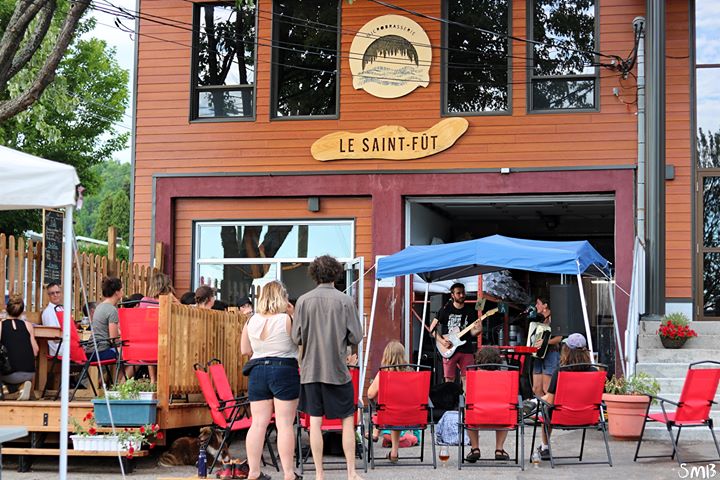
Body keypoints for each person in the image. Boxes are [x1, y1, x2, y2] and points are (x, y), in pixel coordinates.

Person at [291, 255, 363, 480]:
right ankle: (351, 472)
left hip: (311, 371)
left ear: (314, 274)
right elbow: (356, 336)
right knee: (347, 420)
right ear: (336, 273)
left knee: (315, 422)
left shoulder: (303, 301)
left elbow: (296, 337)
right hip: (338, 371)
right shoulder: (345, 301)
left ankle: (319, 474)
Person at [241, 280, 300, 480]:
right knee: (284, 424)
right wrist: (294, 314)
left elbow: (245, 350)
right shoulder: (286, 319)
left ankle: (254, 472)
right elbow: (300, 341)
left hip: (257, 370)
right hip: (284, 369)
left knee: (257, 423)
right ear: (282, 297)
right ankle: (288, 474)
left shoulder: (251, 320)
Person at [535, 333, 594, 460]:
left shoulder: (560, 372)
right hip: (587, 416)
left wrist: (538, 400)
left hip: (563, 416)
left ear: (566, 350)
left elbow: (550, 400)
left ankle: (545, 447)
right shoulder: (594, 372)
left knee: (545, 409)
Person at [367, 341, 418, 463]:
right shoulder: (411, 373)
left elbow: (370, 394)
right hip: (411, 415)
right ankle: (394, 452)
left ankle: (375, 432)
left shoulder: (383, 374)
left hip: (388, 415)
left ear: (386, 356)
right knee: (396, 412)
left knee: (389, 411)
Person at [464, 347, 511, 463]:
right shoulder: (506, 377)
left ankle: (475, 448)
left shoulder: (473, 377)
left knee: (468, 408)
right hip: (500, 417)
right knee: (506, 409)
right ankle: (499, 449)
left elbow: (467, 395)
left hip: (477, 417)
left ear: (479, 360)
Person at [428, 283, 482, 382]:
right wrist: (442, 341)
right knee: (449, 379)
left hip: (466, 349)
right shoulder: (445, 310)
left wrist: (478, 330)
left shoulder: (470, 311)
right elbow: (432, 328)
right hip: (449, 348)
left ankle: (465, 393)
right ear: (452, 295)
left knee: (467, 378)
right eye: (458, 293)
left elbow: (472, 333)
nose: (462, 295)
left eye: (463, 292)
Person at [0, 295, 39, 400]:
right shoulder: (28, 325)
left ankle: (6, 389)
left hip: (8, 374)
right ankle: (19, 388)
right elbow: (35, 351)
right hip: (29, 373)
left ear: (6, 308)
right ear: (22, 311)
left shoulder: (1, 325)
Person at [531, 296, 563, 398]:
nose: (536, 306)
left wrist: (545, 342)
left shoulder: (554, 318)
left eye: (538, 303)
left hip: (551, 354)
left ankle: (549, 407)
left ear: (545, 305)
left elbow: (559, 338)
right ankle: (542, 407)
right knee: (536, 388)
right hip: (539, 354)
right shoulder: (540, 319)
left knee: (547, 388)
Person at [89, 277, 123, 361]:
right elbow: (113, 339)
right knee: (130, 353)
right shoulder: (112, 310)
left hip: (90, 351)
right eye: (122, 290)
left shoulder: (99, 307)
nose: (123, 292)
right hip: (101, 351)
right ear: (117, 292)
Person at [41, 282, 63, 356]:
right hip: (58, 349)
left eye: (57, 292)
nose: (55, 295)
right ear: (48, 296)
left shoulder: (61, 308)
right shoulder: (48, 312)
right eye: (52, 293)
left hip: (65, 344)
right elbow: (55, 337)